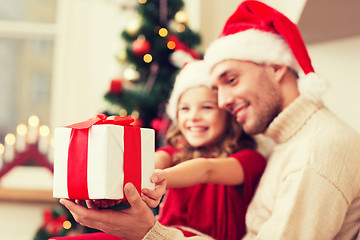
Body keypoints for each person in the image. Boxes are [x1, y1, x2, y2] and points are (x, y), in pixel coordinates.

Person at [60, 1, 360, 239]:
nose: (222, 102)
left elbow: (206, 171)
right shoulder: (286, 145)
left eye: (231, 79)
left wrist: (149, 234)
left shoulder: (316, 151)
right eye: (216, 89)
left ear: (276, 68)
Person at [152, 60, 266, 240]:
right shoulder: (177, 153)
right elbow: (155, 160)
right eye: (185, 108)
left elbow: (207, 169)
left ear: (229, 115)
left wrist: (159, 179)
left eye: (206, 107)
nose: (193, 117)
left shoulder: (249, 159)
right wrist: (137, 173)